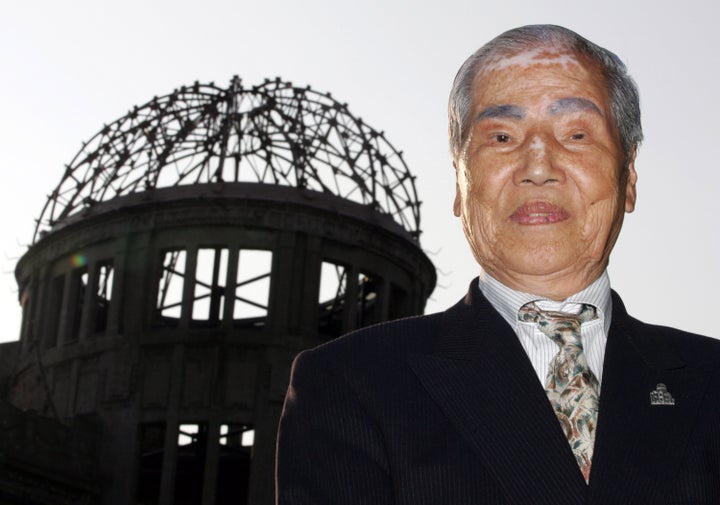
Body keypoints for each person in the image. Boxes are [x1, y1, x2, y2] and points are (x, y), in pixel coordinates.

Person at [275, 25, 720, 504]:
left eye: (576, 133)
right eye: (502, 136)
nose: (537, 165)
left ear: (628, 177)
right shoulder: (349, 384)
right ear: (460, 184)